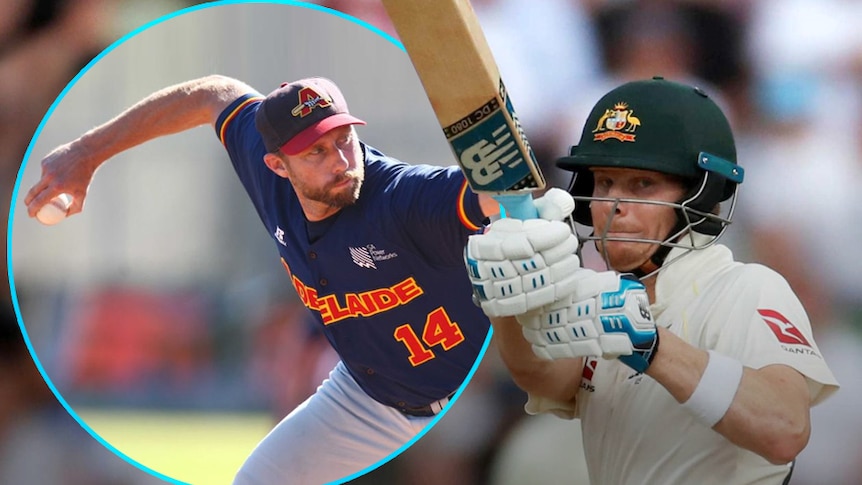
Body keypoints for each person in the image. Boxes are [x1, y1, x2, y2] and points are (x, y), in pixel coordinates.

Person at [24, 74, 502, 484]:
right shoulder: (265, 170)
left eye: (343, 138)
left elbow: (489, 196)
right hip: (368, 397)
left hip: (463, 389)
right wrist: (87, 152)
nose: (340, 160)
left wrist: (506, 172)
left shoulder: (400, 197)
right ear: (277, 164)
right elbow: (210, 94)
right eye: (316, 150)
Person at [464, 77, 839, 484]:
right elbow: (543, 376)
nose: (614, 206)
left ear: (700, 194)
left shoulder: (746, 287)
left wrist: (651, 344)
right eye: (605, 182)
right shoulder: (599, 299)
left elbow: (785, 430)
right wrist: (511, 302)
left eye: (642, 185)